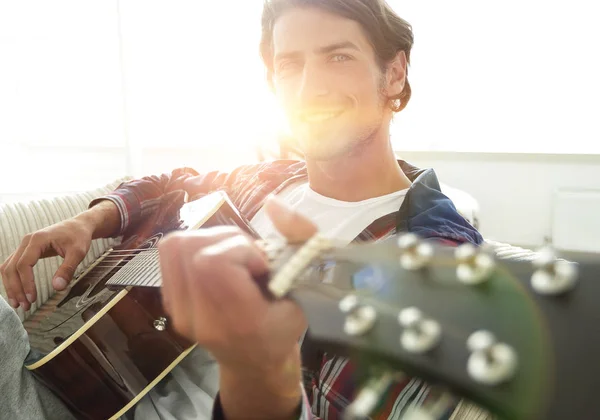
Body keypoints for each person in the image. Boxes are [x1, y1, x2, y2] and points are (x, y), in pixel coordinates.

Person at [0, 0, 485, 418]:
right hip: (77, 390)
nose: (309, 87)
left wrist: (260, 373)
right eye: (290, 64)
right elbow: (171, 183)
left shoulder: (429, 261)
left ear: (394, 73)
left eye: (338, 56)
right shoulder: (268, 179)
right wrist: (92, 218)